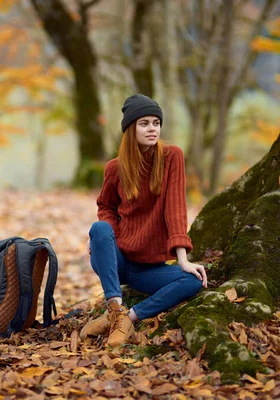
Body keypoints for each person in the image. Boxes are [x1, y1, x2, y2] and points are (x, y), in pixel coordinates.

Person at [80, 94, 207, 348]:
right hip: (120, 261)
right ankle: (115, 305)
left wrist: (183, 259)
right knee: (99, 228)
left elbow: (175, 208)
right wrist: (105, 241)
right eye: (144, 123)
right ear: (131, 129)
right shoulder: (115, 168)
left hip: (149, 269)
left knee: (193, 281)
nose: (152, 129)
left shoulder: (171, 157)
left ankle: (125, 318)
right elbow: (106, 207)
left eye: (156, 123)